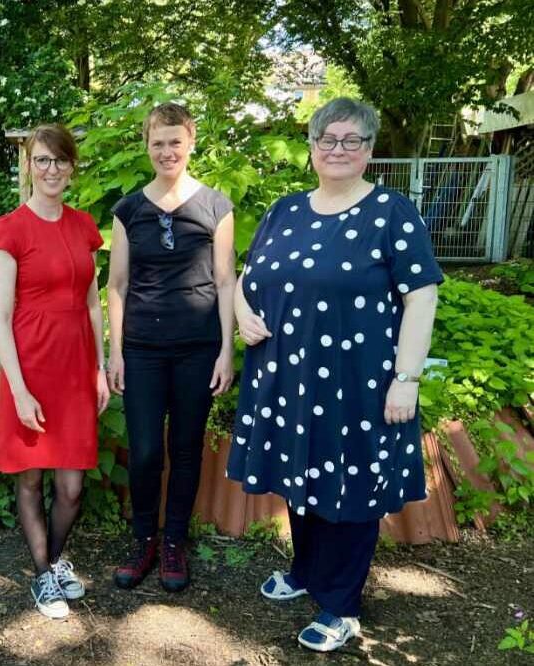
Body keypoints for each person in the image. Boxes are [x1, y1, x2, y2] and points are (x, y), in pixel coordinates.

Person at [228, 97, 443, 652]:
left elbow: (421, 297)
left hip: (358, 384)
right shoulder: (284, 211)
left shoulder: (391, 212)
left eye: (352, 140)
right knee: (300, 475)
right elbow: (247, 276)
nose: (338, 149)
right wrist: (242, 312)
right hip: (288, 378)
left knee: (351, 486)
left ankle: (342, 604)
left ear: (369, 149)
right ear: (312, 147)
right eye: (327, 139)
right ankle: (305, 570)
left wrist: (407, 378)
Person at [106, 102, 236, 593]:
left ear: (191, 141)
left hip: (197, 349)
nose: (166, 151)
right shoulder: (128, 210)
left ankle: (175, 542)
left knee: (185, 448)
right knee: (143, 452)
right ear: (147, 146)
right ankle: (144, 540)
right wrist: (115, 353)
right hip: (142, 349)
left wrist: (226, 351)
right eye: (157, 143)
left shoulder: (216, 207)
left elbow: (225, 282)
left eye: (174, 142)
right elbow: (117, 285)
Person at [0, 124, 110, 619]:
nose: (51, 169)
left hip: (76, 368)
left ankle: (55, 561)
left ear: (71, 167)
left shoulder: (84, 226)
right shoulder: (11, 228)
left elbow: (93, 304)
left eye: (60, 160)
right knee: (30, 480)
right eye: (42, 160)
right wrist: (19, 391)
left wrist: (100, 368)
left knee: (72, 487)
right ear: (29, 166)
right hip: (31, 367)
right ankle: (43, 574)